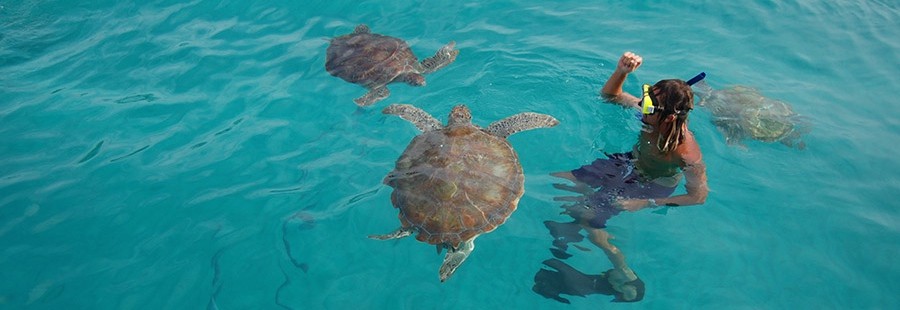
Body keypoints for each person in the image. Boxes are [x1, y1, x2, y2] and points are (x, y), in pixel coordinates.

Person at [549, 51, 709, 301]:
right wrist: (621, 72)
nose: (641, 107)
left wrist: (647, 203)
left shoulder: (687, 153)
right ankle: (574, 221)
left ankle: (624, 272)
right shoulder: (651, 115)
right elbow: (611, 96)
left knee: (590, 221)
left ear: (668, 117)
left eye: (647, 105)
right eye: (644, 98)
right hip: (628, 162)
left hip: (652, 184)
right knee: (559, 179)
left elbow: (698, 196)